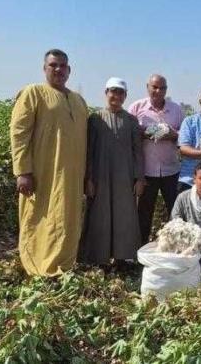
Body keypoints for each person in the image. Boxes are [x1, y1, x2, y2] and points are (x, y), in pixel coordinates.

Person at [9, 49, 88, 276]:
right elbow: (19, 132)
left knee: (67, 218)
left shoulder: (78, 100)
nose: (58, 69)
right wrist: (23, 171)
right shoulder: (34, 93)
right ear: (44, 69)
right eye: (53, 65)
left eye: (63, 66)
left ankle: (64, 264)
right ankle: (38, 266)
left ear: (69, 70)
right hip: (43, 173)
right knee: (40, 217)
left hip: (72, 176)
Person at [80, 78, 145, 266]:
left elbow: (137, 151)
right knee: (99, 215)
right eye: (113, 92)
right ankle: (97, 258)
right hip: (100, 178)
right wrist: (88, 179)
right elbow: (89, 151)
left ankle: (122, 258)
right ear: (106, 93)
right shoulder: (95, 119)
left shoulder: (131, 121)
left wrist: (139, 178)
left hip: (124, 178)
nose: (116, 96)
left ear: (125, 96)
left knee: (124, 216)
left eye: (120, 93)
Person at [128, 74, 184, 244]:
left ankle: (178, 246)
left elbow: (184, 135)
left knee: (175, 212)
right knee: (144, 213)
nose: (158, 91)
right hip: (146, 171)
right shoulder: (136, 108)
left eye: (162, 88)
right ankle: (140, 249)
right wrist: (145, 132)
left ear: (166, 90)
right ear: (148, 87)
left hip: (171, 170)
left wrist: (172, 134)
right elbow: (129, 134)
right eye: (154, 87)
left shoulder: (176, 109)